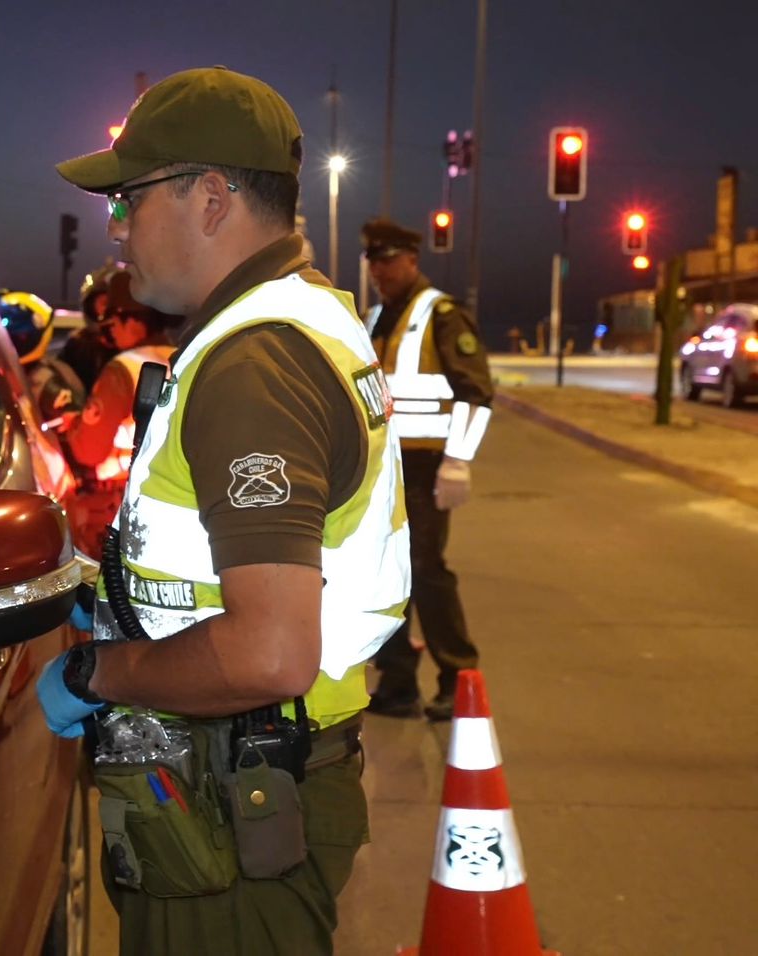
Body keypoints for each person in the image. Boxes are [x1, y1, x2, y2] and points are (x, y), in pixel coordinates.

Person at [35, 67, 410, 955]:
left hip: (234, 808)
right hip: (244, 791)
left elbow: (270, 651)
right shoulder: (306, 313)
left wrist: (102, 673)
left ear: (210, 198)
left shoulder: (254, 365)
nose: (119, 230)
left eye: (130, 200)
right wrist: (128, 602)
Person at [358, 218, 495, 721]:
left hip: (425, 466)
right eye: (373, 261)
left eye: (388, 260)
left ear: (412, 259)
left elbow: (475, 392)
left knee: (427, 576)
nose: (380, 270)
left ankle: (458, 680)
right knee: (386, 579)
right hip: (381, 471)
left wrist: (457, 461)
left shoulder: (442, 314)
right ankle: (397, 684)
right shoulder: (375, 317)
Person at [59, 269, 176, 551]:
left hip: (117, 506)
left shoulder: (123, 369)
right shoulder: (183, 357)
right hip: (170, 499)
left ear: (133, 320)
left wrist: (75, 425)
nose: (110, 334)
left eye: (113, 324)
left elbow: (88, 451)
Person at [0, 289, 85, 425]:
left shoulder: (43, 382)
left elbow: (73, 425)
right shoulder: (13, 373)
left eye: (16, 337)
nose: (7, 341)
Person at [58, 263, 123, 390]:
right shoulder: (78, 346)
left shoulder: (140, 349)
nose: (108, 312)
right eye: (103, 304)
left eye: (114, 303)